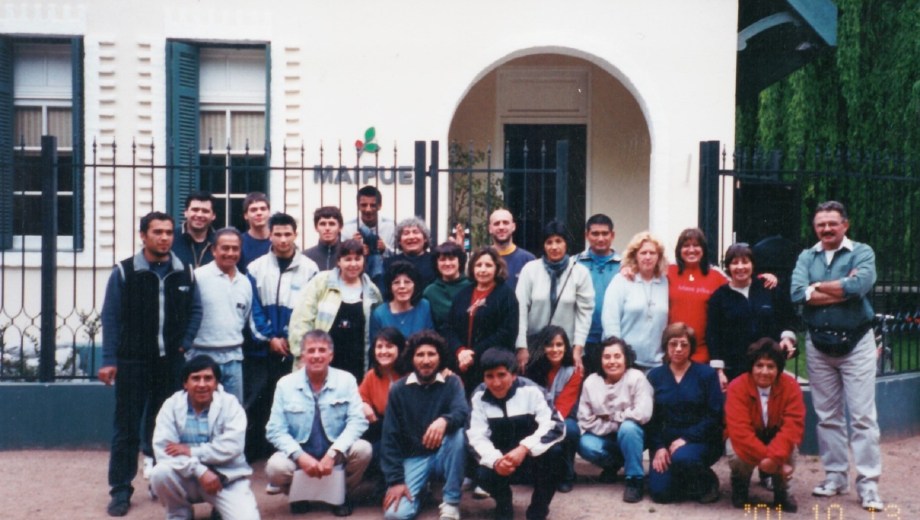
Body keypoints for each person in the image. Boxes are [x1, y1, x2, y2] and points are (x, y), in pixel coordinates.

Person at [99, 211, 202, 517]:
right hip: (132, 361)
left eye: (169, 232)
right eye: (157, 232)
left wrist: (185, 342)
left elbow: (196, 310)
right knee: (126, 428)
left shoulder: (185, 271)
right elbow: (111, 317)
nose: (164, 237)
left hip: (170, 362)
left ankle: (162, 482)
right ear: (143, 235)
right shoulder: (124, 272)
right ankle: (120, 490)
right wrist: (109, 359)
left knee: (164, 426)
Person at [790, 200, 883, 511]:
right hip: (818, 345)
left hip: (857, 343)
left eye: (832, 223)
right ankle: (835, 477)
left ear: (846, 224)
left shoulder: (862, 252)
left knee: (862, 417)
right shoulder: (807, 255)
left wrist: (816, 287)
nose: (827, 229)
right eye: (821, 224)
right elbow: (795, 293)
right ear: (815, 228)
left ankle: (869, 484)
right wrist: (841, 287)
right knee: (828, 417)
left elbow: (860, 285)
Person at [265, 330, 371, 516]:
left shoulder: (346, 380)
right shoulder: (285, 384)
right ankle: (298, 496)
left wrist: (333, 453)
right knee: (275, 466)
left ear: (331, 355)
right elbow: (275, 429)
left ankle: (342, 493)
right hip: (300, 454)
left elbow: (357, 421)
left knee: (363, 449)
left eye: (322, 350)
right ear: (303, 355)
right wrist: (300, 456)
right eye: (311, 350)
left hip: (335, 452)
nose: (316, 356)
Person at [149, 355, 261, 520]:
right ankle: (179, 512)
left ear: (216, 383)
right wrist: (199, 470)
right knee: (160, 472)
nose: (202, 384)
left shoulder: (230, 405)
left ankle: (219, 509)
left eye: (208, 378)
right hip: (186, 476)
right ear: (185, 384)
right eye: (195, 378)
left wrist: (191, 451)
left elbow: (232, 447)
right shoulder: (171, 406)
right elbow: (163, 450)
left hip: (226, 478)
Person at [246, 212, 319, 461]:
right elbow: (252, 309)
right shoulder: (255, 268)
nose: (283, 239)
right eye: (278, 234)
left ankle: (285, 454)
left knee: (290, 402)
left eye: (288, 234)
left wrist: (291, 338)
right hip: (262, 348)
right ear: (270, 234)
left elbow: (310, 309)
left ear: (296, 235)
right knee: (258, 400)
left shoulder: (310, 269)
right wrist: (270, 338)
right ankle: (255, 453)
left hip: (293, 349)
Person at [467, 348, 566, 520]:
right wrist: (496, 461)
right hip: (501, 461)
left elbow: (556, 425)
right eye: (489, 376)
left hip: (529, 458)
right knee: (470, 457)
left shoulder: (532, 391)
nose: (496, 383)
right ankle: (503, 503)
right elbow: (475, 436)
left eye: (501, 375)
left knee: (556, 454)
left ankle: (538, 509)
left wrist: (524, 448)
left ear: (514, 375)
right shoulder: (479, 396)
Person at [381, 331, 469, 520]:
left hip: (443, 455)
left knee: (459, 435)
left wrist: (444, 420)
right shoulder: (398, 389)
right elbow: (390, 438)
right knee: (395, 515)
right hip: (414, 458)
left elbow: (462, 412)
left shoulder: (451, 382)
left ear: (440, 357)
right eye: (420, 355)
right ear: (412, 358)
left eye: (432, 354)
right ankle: (420, 492)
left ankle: (451, 502)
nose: (426, 360)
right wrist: (396, 481)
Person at [646, 323, 724, 504]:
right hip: (666, 444)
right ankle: (683, 480)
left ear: (691, 347)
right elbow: (651, 418)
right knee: (660, 494)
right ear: (666, 346)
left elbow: (715, 414)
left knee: (682, 457)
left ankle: (707, 481)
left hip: (701, 440)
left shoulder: (706, 374)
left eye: (684, 344)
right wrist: (658, 447)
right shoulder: (655, 376)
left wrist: (687, 438)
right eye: (673, 344)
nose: (678, 349)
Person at [725, 338, 804, 512]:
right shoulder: (737, 386)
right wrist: (766, 459)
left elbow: (792, 426)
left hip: (776, 436)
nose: (764, 371)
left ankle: (782, 491)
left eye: (771, 366)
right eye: (759, 365)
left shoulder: (791, 387)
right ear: (751, 367)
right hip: (747, 439)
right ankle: (740, 484)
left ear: (779, 369)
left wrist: (773, 459)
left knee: (789, 448)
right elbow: (740, 432)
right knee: (737, 452)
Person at [288, 239, 383, 383]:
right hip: (322, 359)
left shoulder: (372, 291)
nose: (353, 264)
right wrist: (301, 355)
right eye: (347, 259)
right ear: (339, 261)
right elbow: (301, 319)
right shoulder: (321, 282)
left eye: (358, 259)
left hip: (356, 363)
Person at [707, 243, 797, 387]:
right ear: (728, 267)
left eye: (745, 261)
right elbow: (713, 336)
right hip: (735, 368)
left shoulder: (768, 288)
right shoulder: (719, 297)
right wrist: (719, 370)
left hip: (769, 365)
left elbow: (787, 319)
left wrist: (787, 338)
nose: (740, 267)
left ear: (753, 264)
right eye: (735, 263)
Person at [576, 336, 653, 503]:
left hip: (635, 435)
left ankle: (634, 479)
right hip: (606, 437)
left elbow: (644, 413)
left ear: (626, 358)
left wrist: (611, 417)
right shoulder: (590, 382)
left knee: (628, 428)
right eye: (607, 357)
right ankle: (613, 465)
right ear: (600, 359)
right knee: (584, 443)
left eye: (617, 356)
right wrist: (618, 422)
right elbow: (585, 420)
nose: (612, 361)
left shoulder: (637, 377)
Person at [515, 220, 594, 373]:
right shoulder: (530, 270)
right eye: (549, 242)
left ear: (566, 244)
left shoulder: (580, 272)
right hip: (536, 349)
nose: (554, 247)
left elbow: (584, 315)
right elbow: (521, 310)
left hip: (565, 350)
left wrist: (578, 349)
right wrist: (521, 347)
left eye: (559, 241)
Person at [189, 227, 252, 402]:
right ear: (213, 250)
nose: (230, 253)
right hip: (201, 358)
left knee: (233, 416)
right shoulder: (198, 278)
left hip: (234, 360)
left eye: (235, 248)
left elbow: (244, 318)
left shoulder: (245, 282)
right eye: (225, 248)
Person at [446, 247, 519, 392]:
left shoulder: (506, 295)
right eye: (478, 265)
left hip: (492, 365)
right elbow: (449, 328)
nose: (483, 270)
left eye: (488, 265)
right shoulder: (463, 294)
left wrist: (472, 353)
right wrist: (460, 351)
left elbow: (506, 333)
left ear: (497, 268)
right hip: (461, 363)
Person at [524, 325, 583, 493]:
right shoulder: (532, 369)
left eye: (559, 345)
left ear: (566, 347)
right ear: (542, 347)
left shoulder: (573, 371)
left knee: (570, 430)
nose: (555, 349)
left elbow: (564, 406)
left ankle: (567, 475)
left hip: (560, 417)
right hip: (536, 417)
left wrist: (547, 426)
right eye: (550, 345)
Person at [601, 231, 669, 371]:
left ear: (659, 257)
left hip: (657, 364)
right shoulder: (622, 280)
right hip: (627, 363)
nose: (648, 257)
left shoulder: (664, 282)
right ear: (635, 255)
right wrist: (618, 356)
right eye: (643, 253)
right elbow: (610, 321)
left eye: (652, 253)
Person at [666, 228, 727, 364]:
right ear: (679, 250)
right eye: (686, 246)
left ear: (703, 249)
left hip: (702, 353)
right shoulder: (668, 271)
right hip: (673, 351)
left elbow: (738, 284)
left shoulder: (716, 275)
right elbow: (643, 271)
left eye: (696, 245)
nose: (691, 250)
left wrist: (762, 277)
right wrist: (626, 267)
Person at [575, 214, 622, 374]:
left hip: (612, 341)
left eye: (605, 233)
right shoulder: (574, 264)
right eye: (595, 234)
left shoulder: (625, 266)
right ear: (587, 235)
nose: (600, 238)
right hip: (581, 341)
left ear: (612, 235)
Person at [359, 328, 408, 449]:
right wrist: (364, 405)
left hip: (406, 432)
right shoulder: (372, 375)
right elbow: (358, 398)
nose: (383, 351)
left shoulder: (410, 374)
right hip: (381, 430)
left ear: (400, 348)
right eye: (379, 347)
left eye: (389, 346)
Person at [369, 260, 435, 348]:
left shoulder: (424, 306)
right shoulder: (379, 314)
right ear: (390, 287)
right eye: (396, 282)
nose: (402, 286)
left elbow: (431, 341)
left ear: (415, 285)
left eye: (407, 282)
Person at [342, 185, 396, 288]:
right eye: (363, 205)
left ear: (380, 206)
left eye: (373, 205)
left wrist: (385, 249)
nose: (368, 209)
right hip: (355, 277)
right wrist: (353, 248)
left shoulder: (391, 226)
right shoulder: (348, 227)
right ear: (358, 205)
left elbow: (400, 254)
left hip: (386, 277)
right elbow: (341, 256)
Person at [423, 241, 473, 336]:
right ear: (436, 263)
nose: (447, 263)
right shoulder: (430, 292)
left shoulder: (472, 286)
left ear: (460, 261)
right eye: (442, 260)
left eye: (451, 259)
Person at [385, 217, 437, 294]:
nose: (411, 237)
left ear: (425, 238)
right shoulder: (389, 263)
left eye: (415, 232)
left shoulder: (435, 261)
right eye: (406, 233)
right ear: (399, 241)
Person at [488, 208, 536, 289]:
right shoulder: (482, 259)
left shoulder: (528, 259)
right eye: (496, 223)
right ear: (490, 229)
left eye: (505, 223)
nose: (501, 227)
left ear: (513, 227)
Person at [172, 191, 217, 269]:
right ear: (185, 212)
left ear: (213, 216)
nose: (199, 215)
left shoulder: (219, 241)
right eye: (195, 210)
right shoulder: (171, 238)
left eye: (205, 211)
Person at [238, 192, 272, 272]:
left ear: (269, 212)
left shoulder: (278, 240)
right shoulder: (239, 243)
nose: (259, 213)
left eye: (263, 209)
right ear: (246, 215)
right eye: (253, 210)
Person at [304, 206, 344, 271]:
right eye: (322, 224)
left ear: (340, 227)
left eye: (332, 224)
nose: (327, 228)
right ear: (316, 227)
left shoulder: (348, 255)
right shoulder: (306, 257)